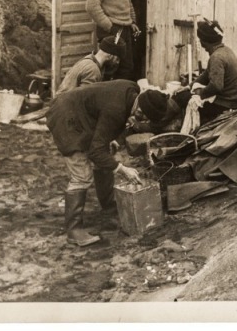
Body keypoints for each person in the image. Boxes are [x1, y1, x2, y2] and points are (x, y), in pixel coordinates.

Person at [45, 81, 168, 246]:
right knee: (82, 175)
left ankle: (109, 205)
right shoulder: (116, 110)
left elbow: (103, 113)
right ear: (140, 111)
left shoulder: (131, 89)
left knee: (106, 153)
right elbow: (96, 151)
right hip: (66, 116)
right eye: (144, 118)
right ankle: (74, 230)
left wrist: (110, 139)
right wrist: (122, 169)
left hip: (81, 114)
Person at [191, 20, 237, 125]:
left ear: (204, 42)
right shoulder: (226, 51)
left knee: (188, 102)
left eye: (201, 40)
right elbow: (206, 75)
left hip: (229, 104)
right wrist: (189, 86)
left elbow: (216, 86)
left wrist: (200, 94)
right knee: (189, 95)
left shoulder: (216, 57)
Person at [56, 35, 126, 95]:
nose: (117, 62)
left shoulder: (89, 59)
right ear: (110, 56)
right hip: (66, 107)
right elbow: (85, 99)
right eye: (117, 59)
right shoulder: (93, 69)